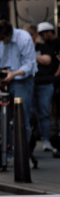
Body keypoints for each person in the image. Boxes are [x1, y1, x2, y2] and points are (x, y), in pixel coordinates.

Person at [0, 20, 37, 146]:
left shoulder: (24, 38)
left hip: (22, 80)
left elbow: (30, 64)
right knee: (2, 119)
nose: (2, 41)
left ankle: (22, 154)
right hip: (4, 81)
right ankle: (9, 151)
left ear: (9, 34)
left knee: (21, 117)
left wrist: (14, 74)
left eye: (3, 39)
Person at [34, 22, 59, 152]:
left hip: (49, 81)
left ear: (50, 31)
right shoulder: (44, 45)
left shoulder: (54, 44)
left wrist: (55, 76)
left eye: (43, 34)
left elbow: (52, 61)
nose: (42, 37)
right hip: (37, 82)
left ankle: (48, 138)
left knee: (47, 111)